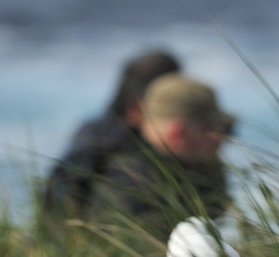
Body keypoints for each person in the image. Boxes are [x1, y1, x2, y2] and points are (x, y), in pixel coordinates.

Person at [86, 73, 235, 240]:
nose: (220, 140)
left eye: (225, 130)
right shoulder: (129, 182)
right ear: (177, 134)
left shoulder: (201, 165)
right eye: (209, 130)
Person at [43, 49, 181, 217]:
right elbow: (61, 191)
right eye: (170, 101)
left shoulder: (95, 130)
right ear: (137, 106)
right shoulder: (101, 140)